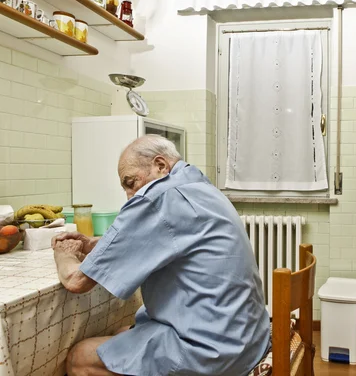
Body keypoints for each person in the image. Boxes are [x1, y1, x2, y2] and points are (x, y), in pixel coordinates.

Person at [52, 135, 271, 376]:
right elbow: (158, 239)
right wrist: (96, 244)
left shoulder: (158, 196)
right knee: (120, 333)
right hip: (246, 339)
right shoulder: (198, 185)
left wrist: (64, 254)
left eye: (130, 182)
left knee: (79, 358)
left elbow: (76, 281)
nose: (129, 195)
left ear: (160, 165)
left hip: (212, 352)